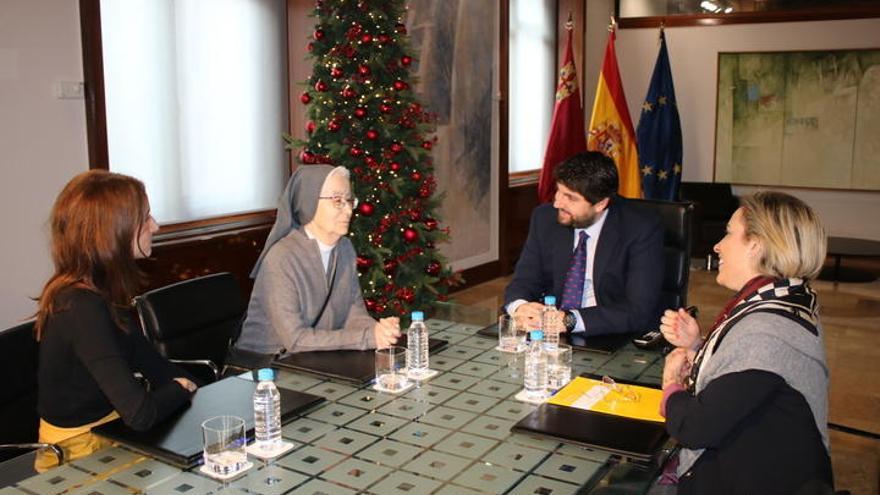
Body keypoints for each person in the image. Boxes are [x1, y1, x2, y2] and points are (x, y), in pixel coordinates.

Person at [658, 191, 833, 494]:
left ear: (756, 245)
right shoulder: (788, 299)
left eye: (728, 234)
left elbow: (694, 428)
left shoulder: (764, 331)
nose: (717, 246)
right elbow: (753, 380)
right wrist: (699, 346)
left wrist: (671, 383)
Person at [35, 170, 197, 470]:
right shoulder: (81, 307)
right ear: (114, 231)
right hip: (76, 457)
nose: (156, 226)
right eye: (146, 218)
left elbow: (153, 365)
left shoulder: (102, 293)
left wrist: (194, 386)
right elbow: (140, 414)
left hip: (110, 435)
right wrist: (180, 388)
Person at [228, 165, 400, 368]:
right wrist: (367, 337)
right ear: (309, 202)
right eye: (337, 201)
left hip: (311, 359)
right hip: (263, 368)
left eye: (349, 200)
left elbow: (353, 313)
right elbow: (295, 339)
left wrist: (379, 331)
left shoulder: (344, 248)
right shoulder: (281, 258)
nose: (348, 210)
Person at [504, 151, 664, 336]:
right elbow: (524, 280)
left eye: (570, 197)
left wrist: (570, 320)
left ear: (600, 204)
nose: (557, 203)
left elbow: (637, 310)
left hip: (611, 335)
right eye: (559, 191)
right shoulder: (545, 218)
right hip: (551, 334)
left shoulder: (641, 228)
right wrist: (520, 307)